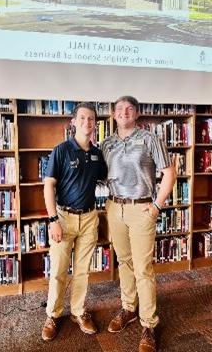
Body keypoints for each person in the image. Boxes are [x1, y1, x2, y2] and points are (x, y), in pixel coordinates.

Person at [101, 96, 177, 352]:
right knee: (124, 262)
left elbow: (169, 173)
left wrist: (157, 206)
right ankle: (128, 308)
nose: (124, 112)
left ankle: (149, 324)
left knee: (143, 268)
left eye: (129, 109)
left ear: (137, 113)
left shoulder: (149, 139)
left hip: (141, 208)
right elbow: (98, 174)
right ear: (113, 114)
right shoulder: (106, 143)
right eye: (120, 109)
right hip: (114, 207)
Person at [41, 102, 107, 341]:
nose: (87, 123)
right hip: (64, 218)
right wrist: (52, 220)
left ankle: (78, 311)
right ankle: (53, 314)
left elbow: (105, 178)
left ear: (95, 124)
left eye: (91, 119)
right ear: (73, 122)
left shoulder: (97, 154)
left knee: (82, 272)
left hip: (89, 218)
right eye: (82, 118)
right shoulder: (61, 150)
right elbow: (48, 186)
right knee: (58, 270)